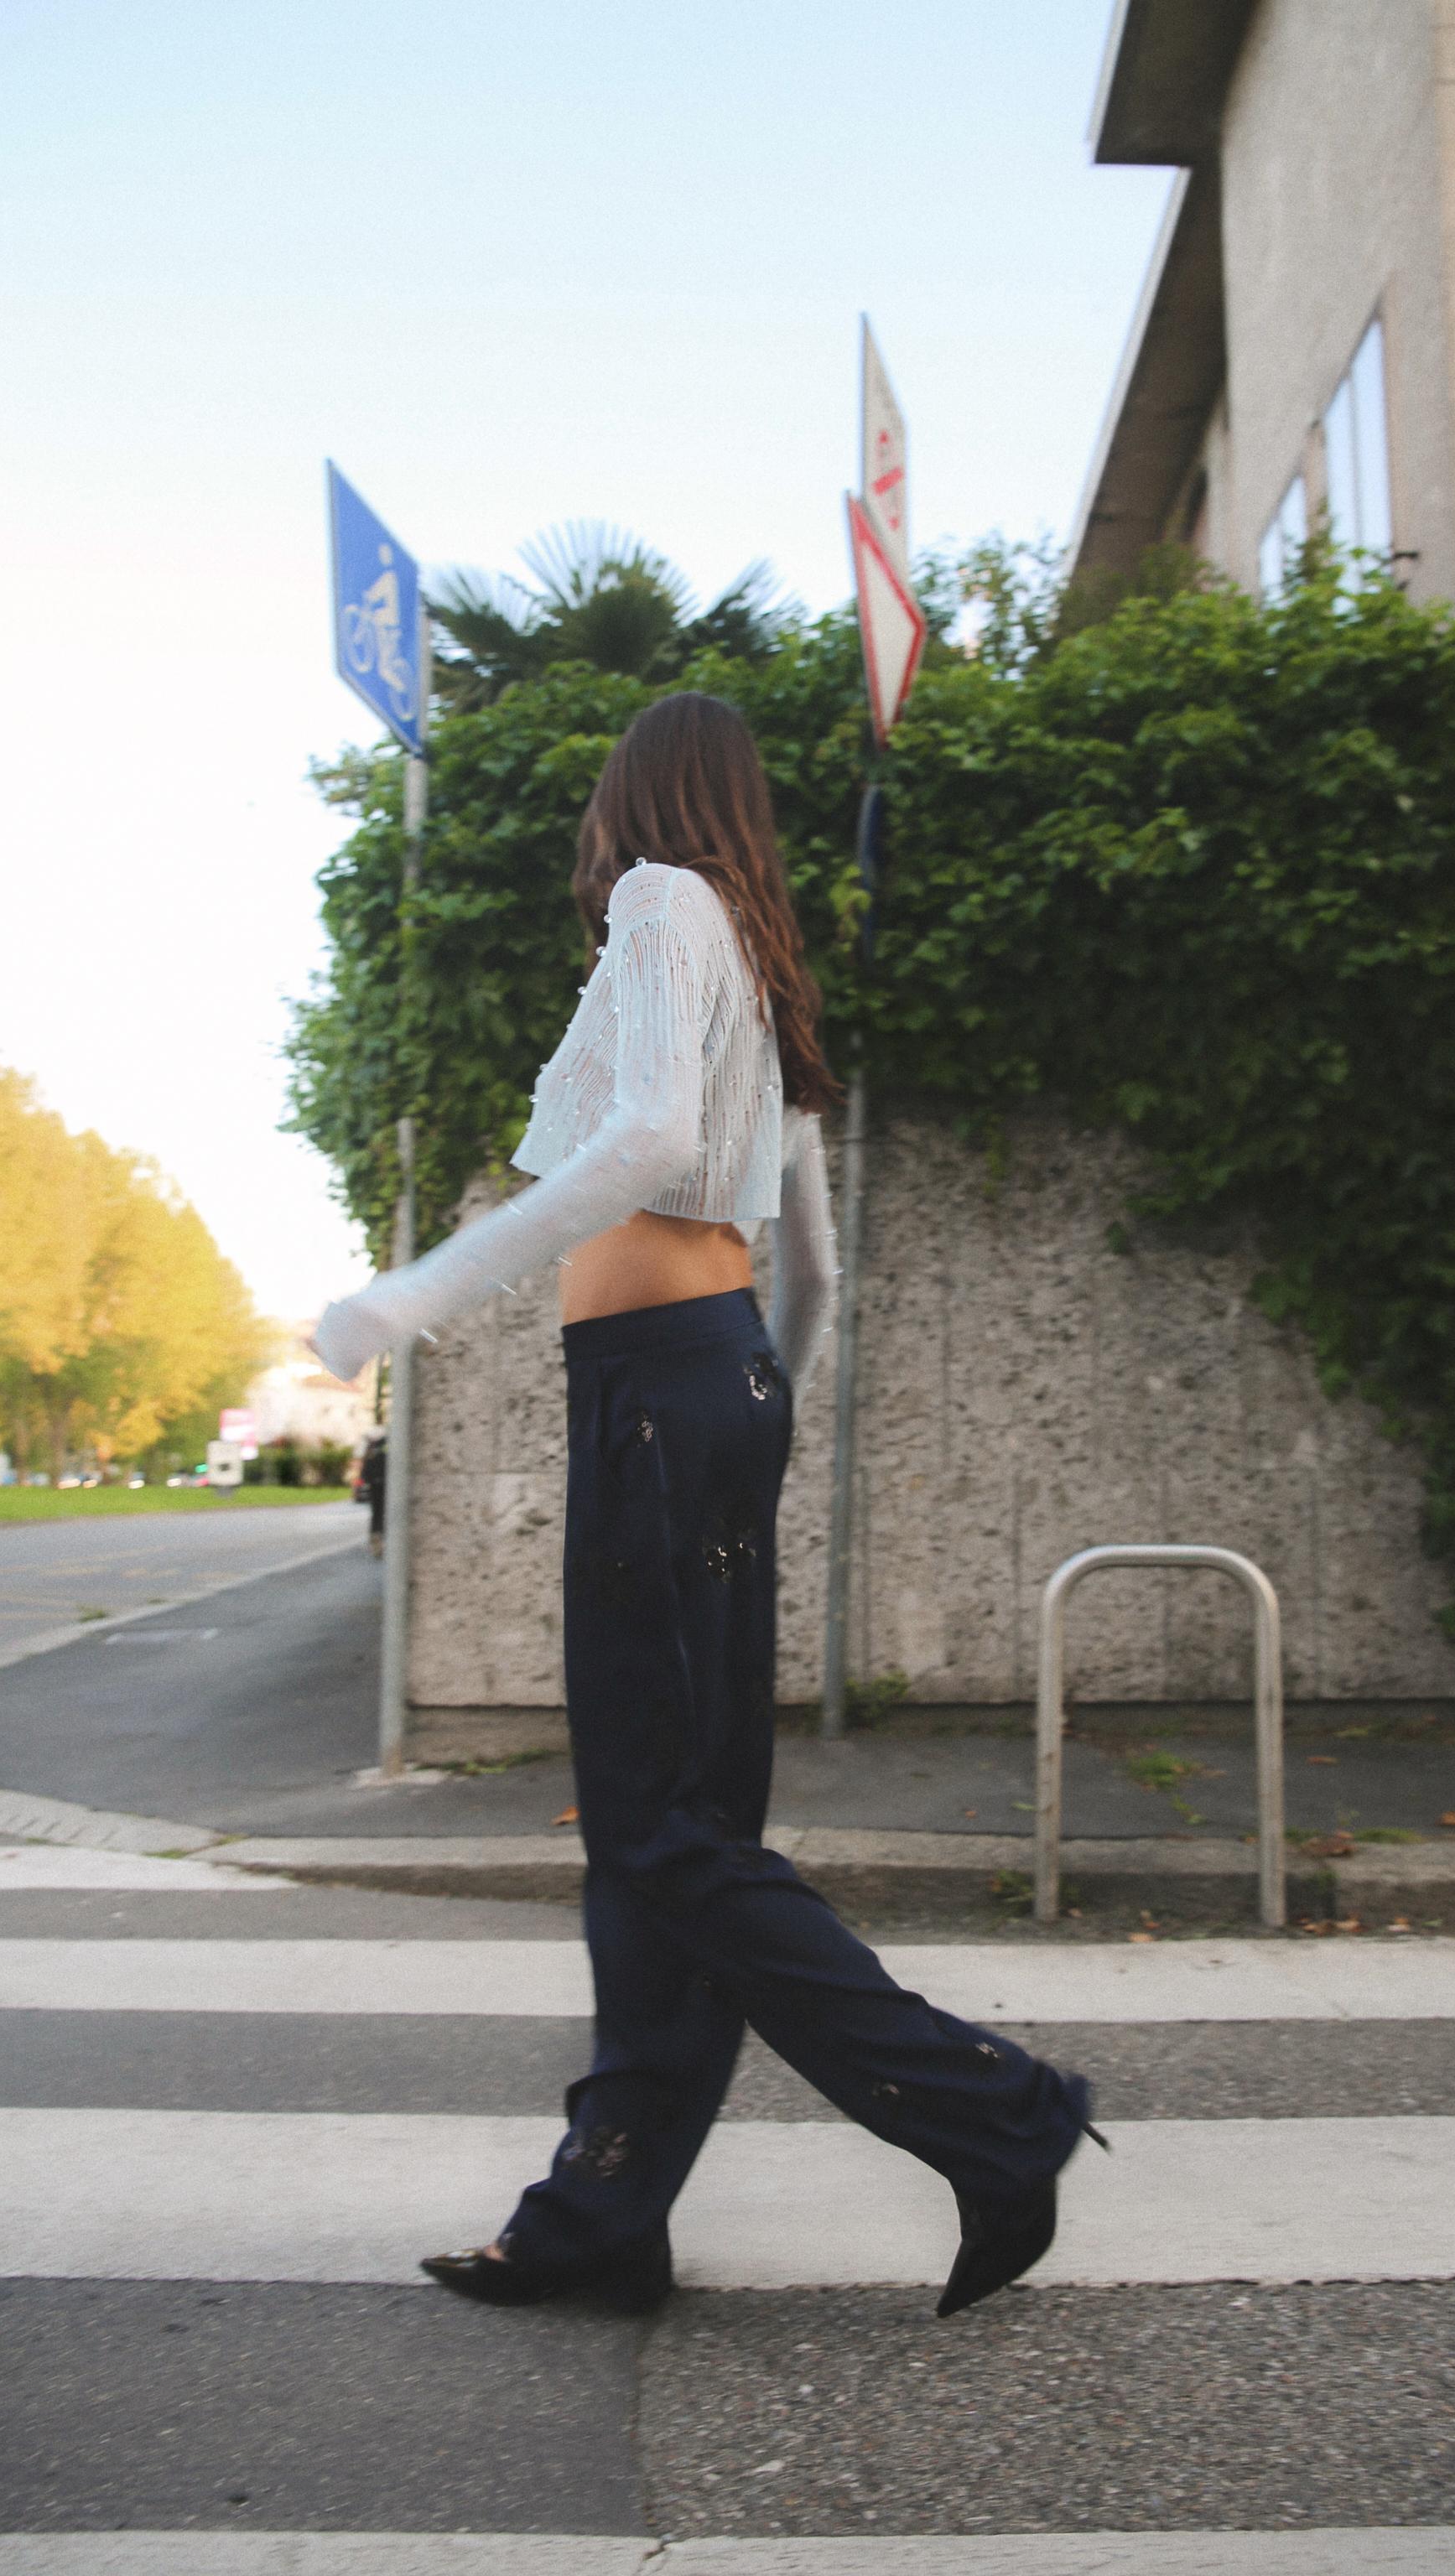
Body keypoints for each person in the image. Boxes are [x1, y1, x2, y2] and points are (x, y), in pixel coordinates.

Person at [311, 691, 1104, 2321]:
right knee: (668, 1836)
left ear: (635, 801)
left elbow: (649, 1138)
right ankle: (603, 2213)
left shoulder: (666, 907)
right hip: (718, 1384)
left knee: (658, 1829)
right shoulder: (762, 967)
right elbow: (809, 1269)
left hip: (663, 1395)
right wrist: (759, 1407)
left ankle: (995, 2113)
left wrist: (411, 1300)